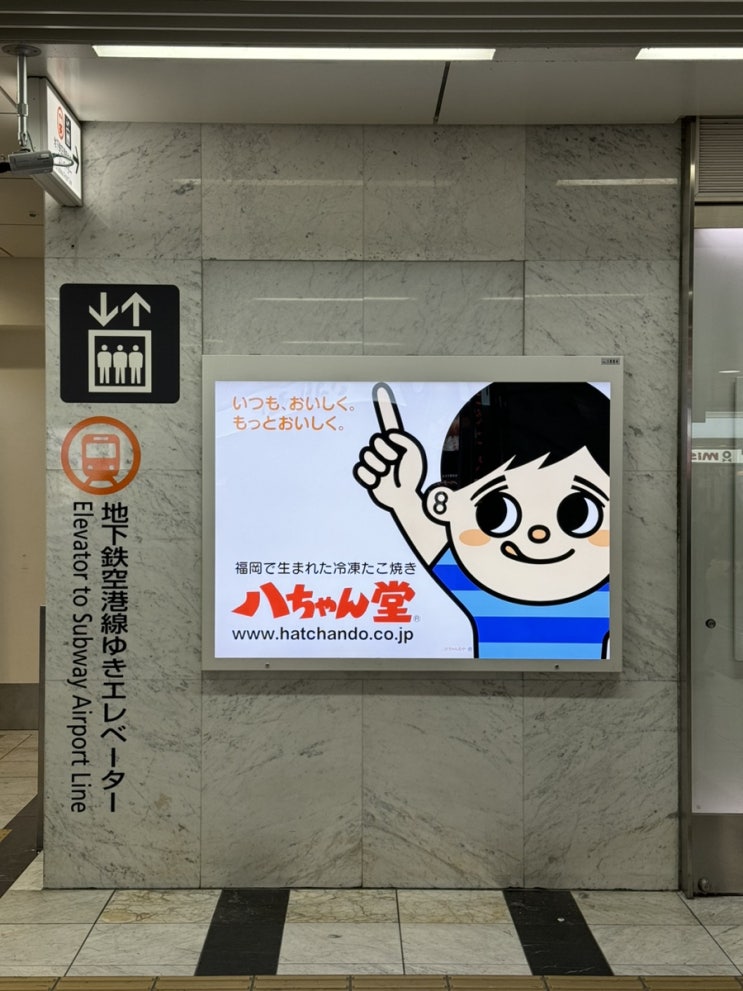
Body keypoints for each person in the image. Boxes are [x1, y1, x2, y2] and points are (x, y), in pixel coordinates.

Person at [354, 381, 611, 659]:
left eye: (578, 515)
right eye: (497, 514)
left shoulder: (478, 584)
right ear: (445, 506)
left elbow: (435, 548)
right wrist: (403, 496)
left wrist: (403, 498)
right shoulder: (479, 581)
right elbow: (434, 543)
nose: (539, 533)